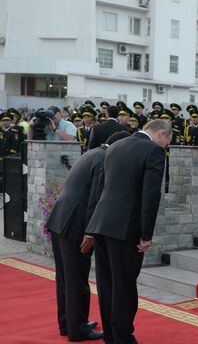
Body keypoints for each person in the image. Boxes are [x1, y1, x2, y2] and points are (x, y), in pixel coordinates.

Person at [85, 119, 171, 344]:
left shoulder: (115, 146)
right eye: (167, 142)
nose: (165, 146)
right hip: (125, 229)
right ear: (162, 134)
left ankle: (112, 338)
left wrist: (92, 226)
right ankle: (123, 339)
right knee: (124, 288)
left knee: (107, 286)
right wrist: (146, 235)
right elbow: (150, 197)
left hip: (102, 224)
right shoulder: (153, 151)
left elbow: (100, 188)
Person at [46, 131, 130, 342]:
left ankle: (68, 322)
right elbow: (95, 198)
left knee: (64, 277)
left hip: (61, 219)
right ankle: (78, 329)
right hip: (76, 224)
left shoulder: (91, 153)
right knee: (76, 278)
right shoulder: (105, 159)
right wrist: (90, 232)